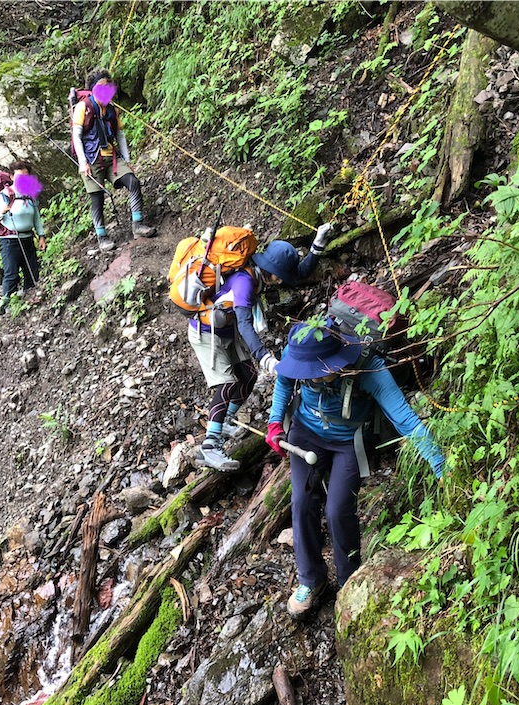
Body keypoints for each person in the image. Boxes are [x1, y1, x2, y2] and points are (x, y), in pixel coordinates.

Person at [266, 320, 445, 618]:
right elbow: (284, 380)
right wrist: (275, 422)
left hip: (349, 439)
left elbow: (404, 418)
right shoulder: (299, 348)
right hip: (305, 432)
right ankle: (312, 579)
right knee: (301, 502)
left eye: (315, 374)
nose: (309, 377)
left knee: (337, 509)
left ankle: (349, 581)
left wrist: (440, 465)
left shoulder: (368, 367)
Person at [191, 223, 333, 472]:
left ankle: (224, 421)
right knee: (227, 384)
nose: (283, 281)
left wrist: (318, 244)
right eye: (282, 276)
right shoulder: (245, 282)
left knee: (248, 376)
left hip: (225, 329)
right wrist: (265, 357)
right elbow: (245, 324)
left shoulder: (260, 276)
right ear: (273, 272)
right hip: (206, 332)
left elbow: (300, 273)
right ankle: (210, 445)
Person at [72, 68, 156, 252]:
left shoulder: (112, 110)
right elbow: (76, 136)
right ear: (93, 89)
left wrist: (127, 159)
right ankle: (102, 237)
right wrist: (82, 162)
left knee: (132, 181)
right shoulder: (83, 107)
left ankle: (138, 224)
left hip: (112, 158)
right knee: (97, 198)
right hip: (91, 159)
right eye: (101, 86)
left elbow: (120, 135)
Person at [0, 159, 47, 309]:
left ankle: (29, 299)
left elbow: (36, 217)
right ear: (13, 177)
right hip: (9, 241)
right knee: (11, 273)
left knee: (32, 270)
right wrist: (3, 211)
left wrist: (41, 236)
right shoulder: (5, 195)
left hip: (27, 238)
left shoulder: (30, 194)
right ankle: (6, 305)